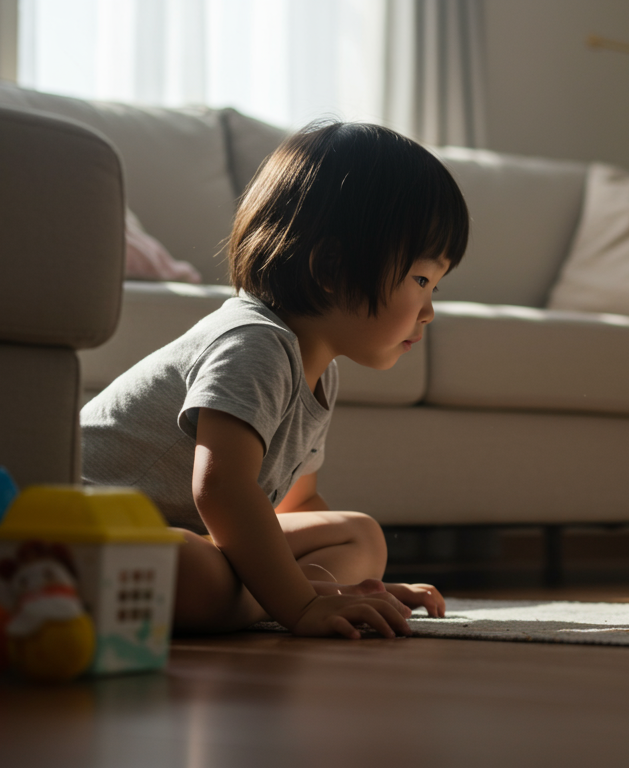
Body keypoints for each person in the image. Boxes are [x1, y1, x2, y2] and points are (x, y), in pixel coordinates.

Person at [81, 121, 466, 638]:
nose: (429, 312)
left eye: (435, 286)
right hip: (90, 527)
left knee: (362, 539)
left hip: (195, 534)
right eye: (421, 280)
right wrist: (303, 605)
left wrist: (326, 585)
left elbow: (295, 505)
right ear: (330, 268)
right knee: (197, 571)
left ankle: (277, 595)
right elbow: (221, 489)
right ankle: (288, 599)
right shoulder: (254, 343)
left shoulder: (318, 369)